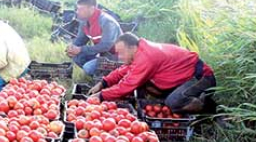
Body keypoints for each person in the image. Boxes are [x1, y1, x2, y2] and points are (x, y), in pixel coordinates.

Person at [88, 33, 217, 114]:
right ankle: (181, 98)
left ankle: (212, 108)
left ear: (132, 48)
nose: (120, 57)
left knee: (173, 103)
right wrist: (103, 82)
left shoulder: (147, 57)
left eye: (121, 53)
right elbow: (124, 70)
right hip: (181, 78)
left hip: (201, 77)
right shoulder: (140, 51)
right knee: (146, 85)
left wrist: (101, 95)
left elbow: (126, 86)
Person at [67, 0, 122, 76]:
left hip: (116, 56)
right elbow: (80, 39)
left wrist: (81, 49)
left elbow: (106, 46)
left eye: (81, 9)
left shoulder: (107, 22)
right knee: (77, 57)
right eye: (77, 9)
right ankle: (99, 75)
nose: (77, 12)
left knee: (88, 67)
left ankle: (109, 76)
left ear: (92, 8)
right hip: (101, 54)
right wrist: (72, 48)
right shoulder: (84, 21)